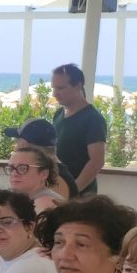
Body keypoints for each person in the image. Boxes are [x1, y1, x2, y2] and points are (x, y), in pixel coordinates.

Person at [51, 63, 107, 196]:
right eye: (53, 88)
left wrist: (72, 190)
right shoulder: (58, 114)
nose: (55, 94)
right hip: (57, 191)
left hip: (81, 198)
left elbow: (97, 161)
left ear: (78, 86)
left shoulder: (92, 118)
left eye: (61, 88)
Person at [5, 117, 77, 199]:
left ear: (24, 145)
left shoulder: (55, 178)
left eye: (17, 139)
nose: (16, 144)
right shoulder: (56, 172)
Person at [5, 147, 64, 214]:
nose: (14, 173)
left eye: (22, 168)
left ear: (43, 174)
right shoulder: (21, 200)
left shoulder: (46, 204)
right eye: (11, 168)